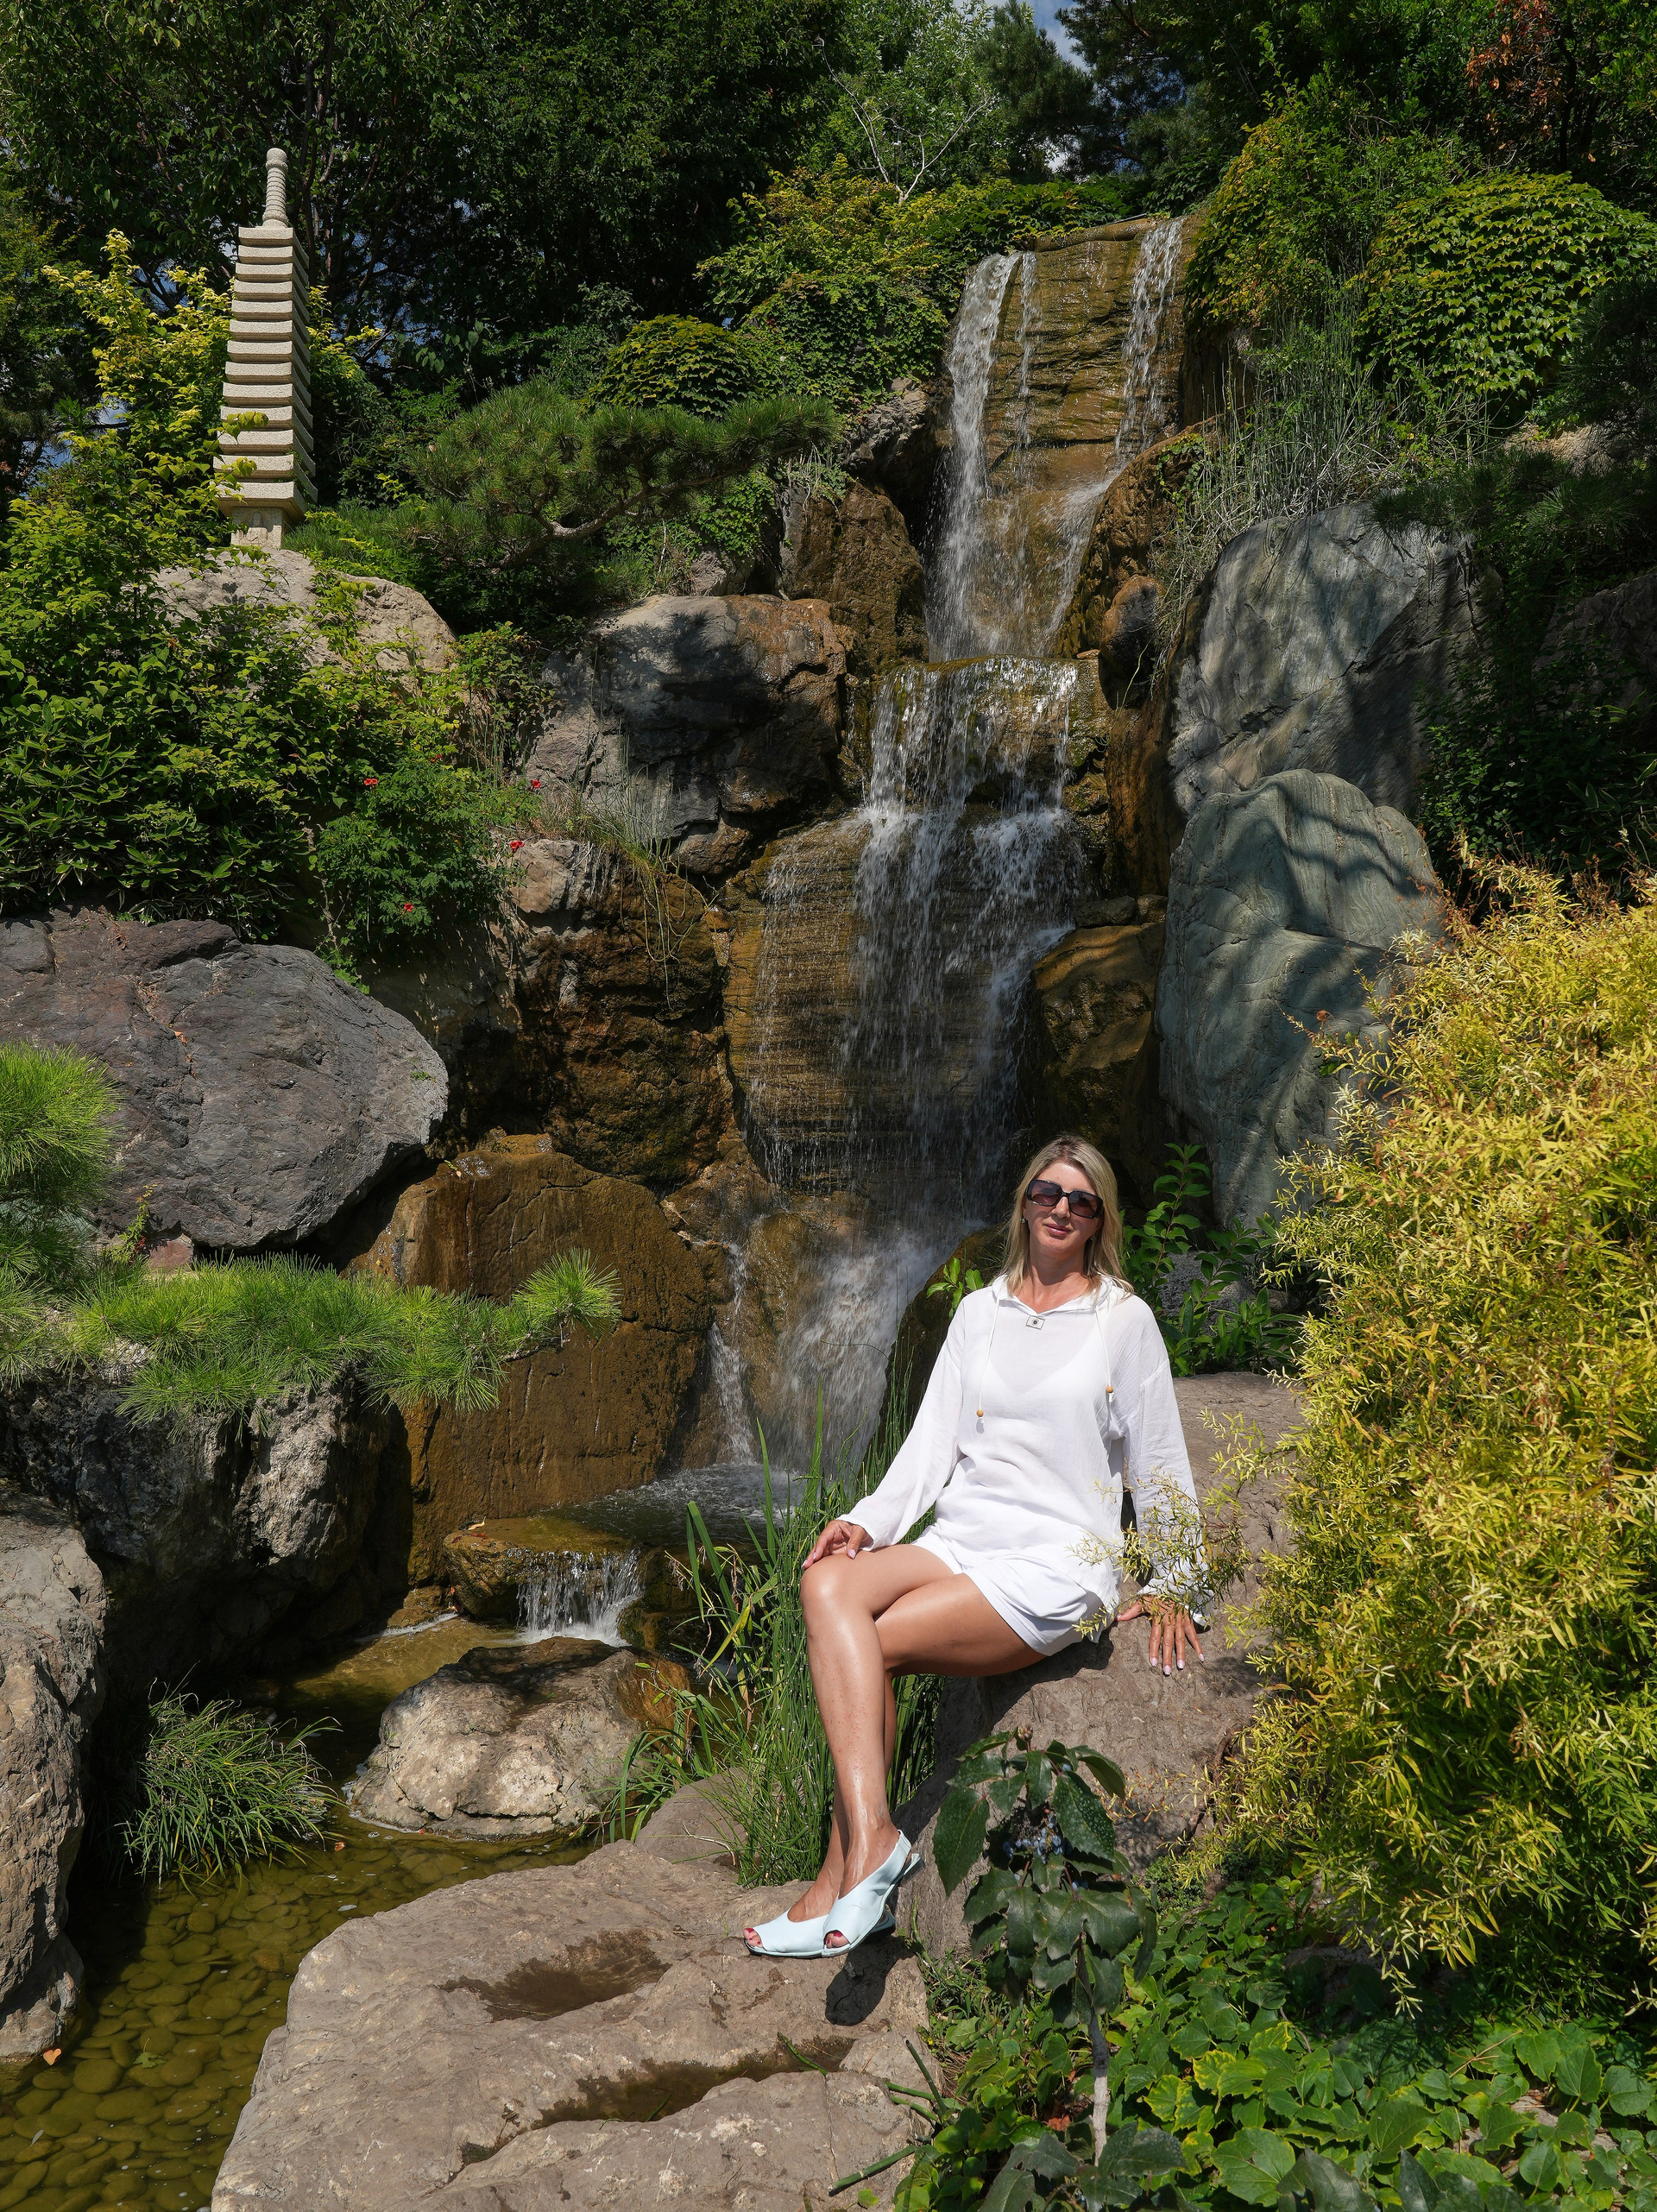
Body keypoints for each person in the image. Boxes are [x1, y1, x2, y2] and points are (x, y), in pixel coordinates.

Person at [744, 1132, 1210, 1960]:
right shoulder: (979, 1312)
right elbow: (930, 1445)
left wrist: (1177, 1576)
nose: (1060, 1209)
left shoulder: (1123, 1320)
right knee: (826, 1584)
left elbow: (1161, 1457)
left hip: (1055, 1561)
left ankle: (841, 1876)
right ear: (1023, 1202)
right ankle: (870, 1849)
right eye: (1046, 1192)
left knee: (863, 1648)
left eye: (1081, 1200)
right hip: (963, 1537)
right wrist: (866, 1522)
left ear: (1101, 1220)